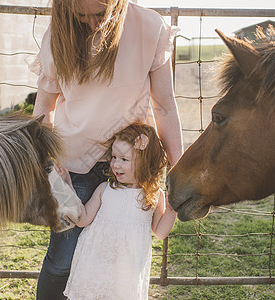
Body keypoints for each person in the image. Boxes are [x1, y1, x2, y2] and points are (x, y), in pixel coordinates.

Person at [27, 0, 183, 298]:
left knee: (117, 262)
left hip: (132, 165)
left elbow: (164, 106)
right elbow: (44, 108)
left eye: (100, 14)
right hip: (72, 167)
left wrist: (178, 169)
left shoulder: (149, 27)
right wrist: (49, 163)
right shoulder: (57, 36)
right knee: (62, 260)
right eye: (80, 15)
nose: (92, 23)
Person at [63, 123, 177, 299]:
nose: (116, 164)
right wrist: (67, 187)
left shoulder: (154, 195)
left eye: (124, 159)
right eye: (114, 157)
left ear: (145, 162)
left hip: (126, 273)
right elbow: (82, 219)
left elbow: (160, 232)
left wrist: (172, 209)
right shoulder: (105, 189)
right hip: (95, 266)